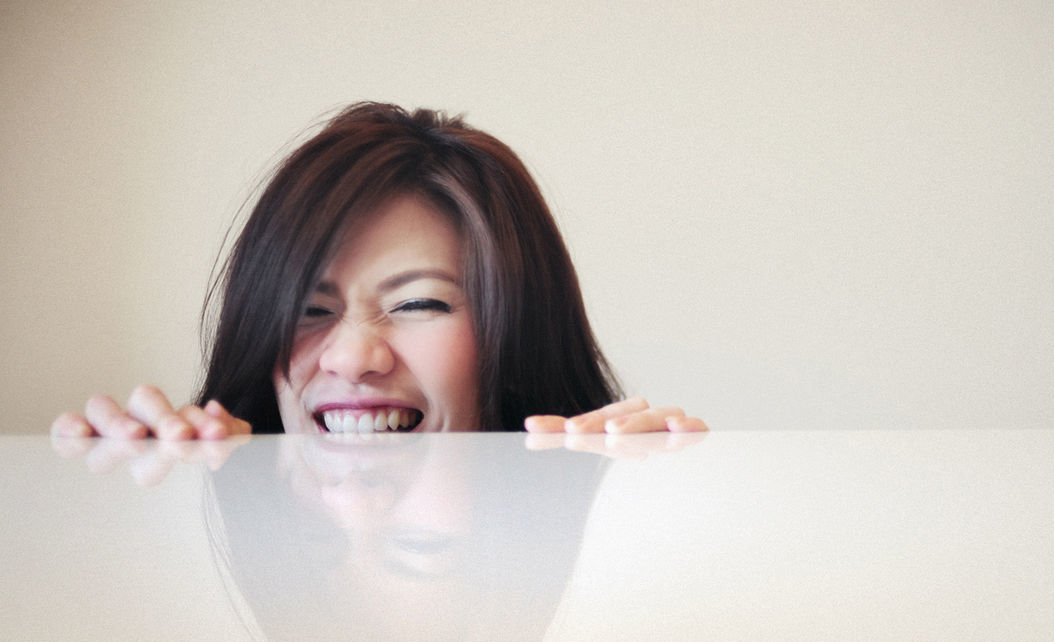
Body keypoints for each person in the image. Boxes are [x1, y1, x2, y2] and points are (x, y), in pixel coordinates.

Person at [51, 102, 706, 440]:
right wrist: (122, 512)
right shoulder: (180, 532)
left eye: (419, 305)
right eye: (311, 310)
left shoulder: (619, 536)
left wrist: (644, 525)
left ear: (521, 337)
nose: (352, 358)